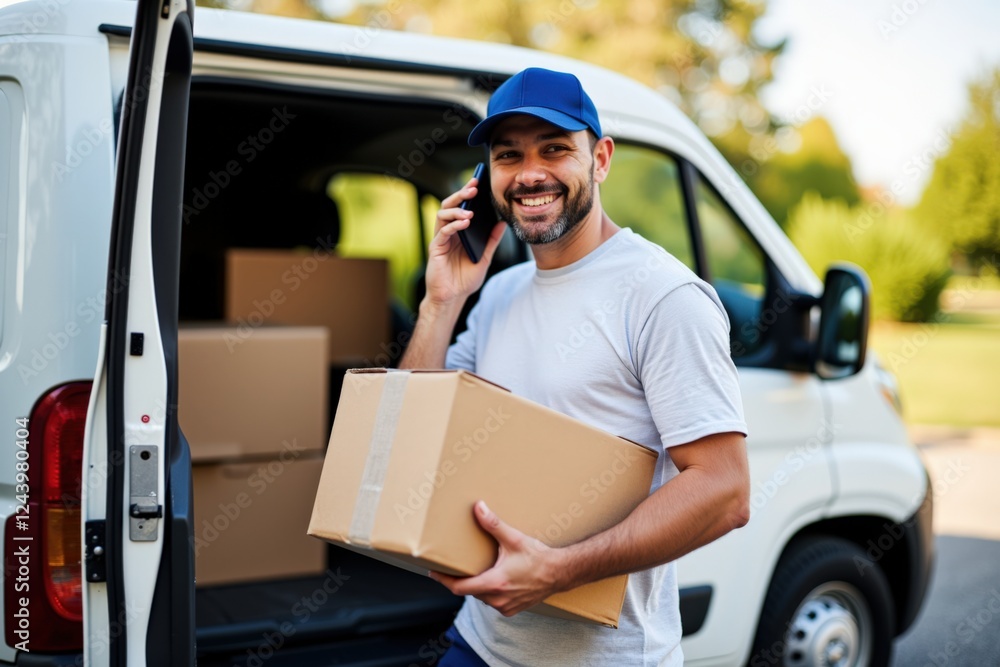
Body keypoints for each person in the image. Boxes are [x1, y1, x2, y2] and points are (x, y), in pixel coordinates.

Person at [399, 67, 750, 667]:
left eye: (555, 148)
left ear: (601, 159)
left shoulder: (662, 295)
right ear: (488, 178)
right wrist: (441, 303)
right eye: (509, 155)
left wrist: (559, 571)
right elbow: (409, 433)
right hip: (479, 641)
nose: (531, 173)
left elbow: (725, 490)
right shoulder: (498, 294)